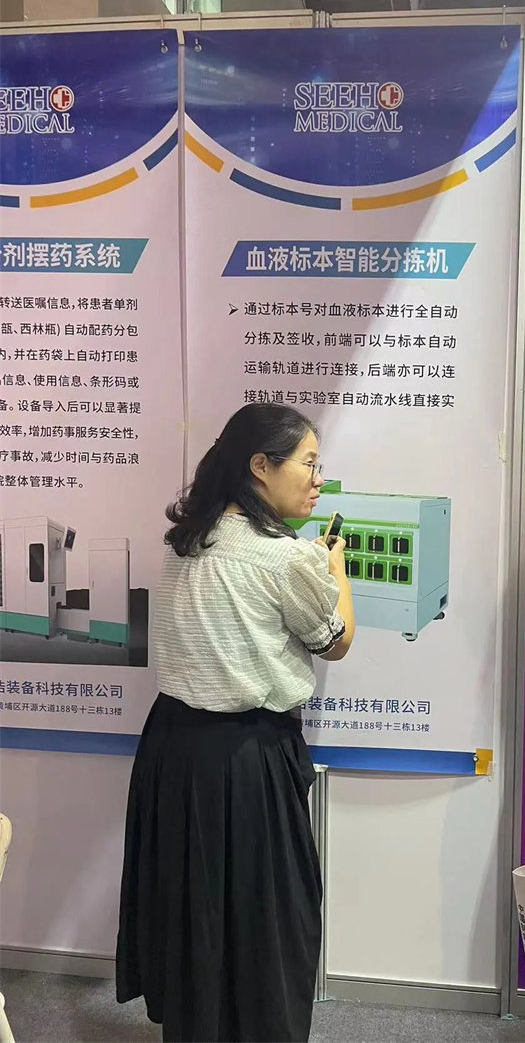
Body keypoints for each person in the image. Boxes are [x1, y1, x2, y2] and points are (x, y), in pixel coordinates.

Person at [116, 403, 355, 1043]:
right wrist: (335, 570)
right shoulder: (286, 558)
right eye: (308, 464)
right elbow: (335, 642)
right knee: (269, 917)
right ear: (260, 466)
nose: (318, 480)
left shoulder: (186, 541)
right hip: (248, 758)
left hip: (172, 750)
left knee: (191, 910)